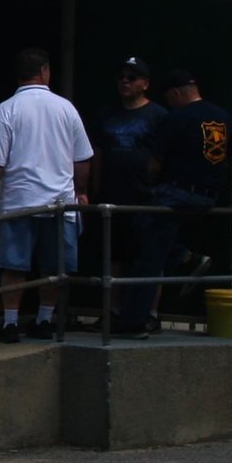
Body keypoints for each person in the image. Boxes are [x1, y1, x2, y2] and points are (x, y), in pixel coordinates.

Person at [0, 47, 93, 343]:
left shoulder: (7, 109)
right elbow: (82, 158)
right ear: (44, 72)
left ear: (18, 75)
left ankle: (10, 323)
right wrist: (81, 191)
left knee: (13, 266)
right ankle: (43, 320)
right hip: (60, 202)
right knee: (53, 268)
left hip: (19, 201)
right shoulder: (66, 108)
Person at [94, 56, 181, 334]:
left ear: (145, 83)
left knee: (150, 257)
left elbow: (168, 156)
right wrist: (93, 188)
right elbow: (97, 153)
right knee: (114, 256)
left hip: (146, 198)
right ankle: (113, 311)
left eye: (132, 77)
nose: (125, 82)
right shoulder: (106, 114)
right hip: (112, 196)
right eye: (121, 77)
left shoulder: (159, 116)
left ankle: (150, 313)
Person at [157, 67, 232, 280]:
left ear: (175, 93)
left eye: (168, 98)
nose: (168, 103)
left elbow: (155, 161)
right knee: (159, 233)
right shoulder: (222, 116)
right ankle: (185, 262)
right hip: (209, 196)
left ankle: (186, 259)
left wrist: (151, 183)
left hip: (178, 192)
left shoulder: (177, 117)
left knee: (143, 225)